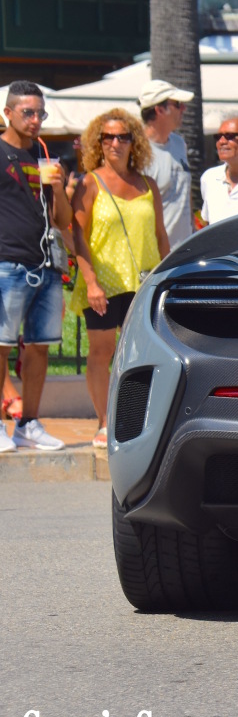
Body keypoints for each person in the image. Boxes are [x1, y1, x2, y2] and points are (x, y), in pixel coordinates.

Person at [69, 108, 170, 449]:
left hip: (143, 284)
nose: (115, 143)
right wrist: (91, 281)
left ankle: (134, 422)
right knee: (101, 351)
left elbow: (159, 235)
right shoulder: (88, 182)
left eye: (122, 136)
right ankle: (103, 422)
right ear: (97, 143)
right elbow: (77, 235)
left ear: (134, 142)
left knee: (141, 355)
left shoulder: (147, 184)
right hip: (104, 282)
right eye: (107, 137)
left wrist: (168, 276)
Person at [0, 80, 73, 451]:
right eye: (27, 112)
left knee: (40, 347)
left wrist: (58, 187)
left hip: (44, 265)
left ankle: (28, 423)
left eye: (40, 113)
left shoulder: (44, 157)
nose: (35, 120)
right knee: (1, 345)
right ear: (7, 113)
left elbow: (62, 221)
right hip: (6, 262)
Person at [138, 79, 195, 247]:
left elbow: (185, 191)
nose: (183, 108)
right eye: (177, 104)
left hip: (183, 250)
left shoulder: (179, 144)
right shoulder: (138, 152)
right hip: (155, 254)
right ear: (159, 109)